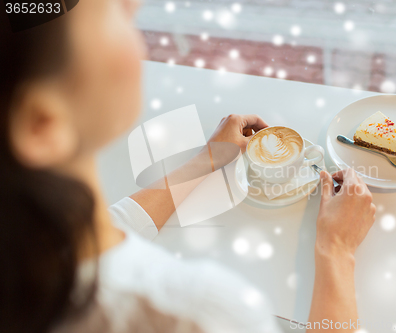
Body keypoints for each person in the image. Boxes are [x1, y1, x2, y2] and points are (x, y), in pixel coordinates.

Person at [0, 0, 376, 332]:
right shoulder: (197, 314)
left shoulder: (34, 256)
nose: (134, 3)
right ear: (42, 124)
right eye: (113, 11)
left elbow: (106, 234)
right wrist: (337, 250)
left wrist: (206, 161)